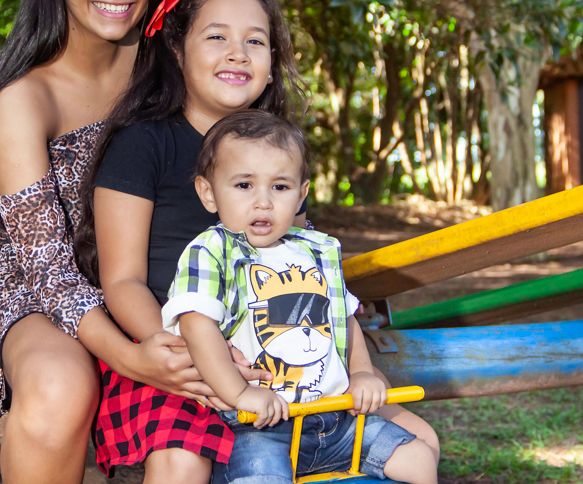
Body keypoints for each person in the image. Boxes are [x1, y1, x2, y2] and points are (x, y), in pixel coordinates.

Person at [0, 0, 215, 484]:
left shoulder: (169, 66)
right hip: (38, 290)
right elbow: (48, 273)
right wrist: (133, 358)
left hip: (156, 280)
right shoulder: (26, 101)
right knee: (61, 383)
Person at [76, 0, 307, 483]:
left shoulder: (280, 155)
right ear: (178, 52)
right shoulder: (142, 145)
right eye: (217, 37)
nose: (238, 53)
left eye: (255, 41)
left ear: (272, 65)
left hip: (268, 348)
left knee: (409, 438)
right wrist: (190, 350)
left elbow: (299, 260)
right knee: (181, 459)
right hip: (168, 354)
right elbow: (123, 281)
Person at [161, 110, 439, 484]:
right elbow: (196, 327)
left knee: (419, 458)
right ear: (208, 192)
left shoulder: (317, 250)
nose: (263, 202)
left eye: (280, 187)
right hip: (258, 426)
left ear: (301, 194)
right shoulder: (212, 251)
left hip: (338, 418)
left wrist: (361, 373)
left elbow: (344, 318)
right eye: (244, 185)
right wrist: (240, 393)